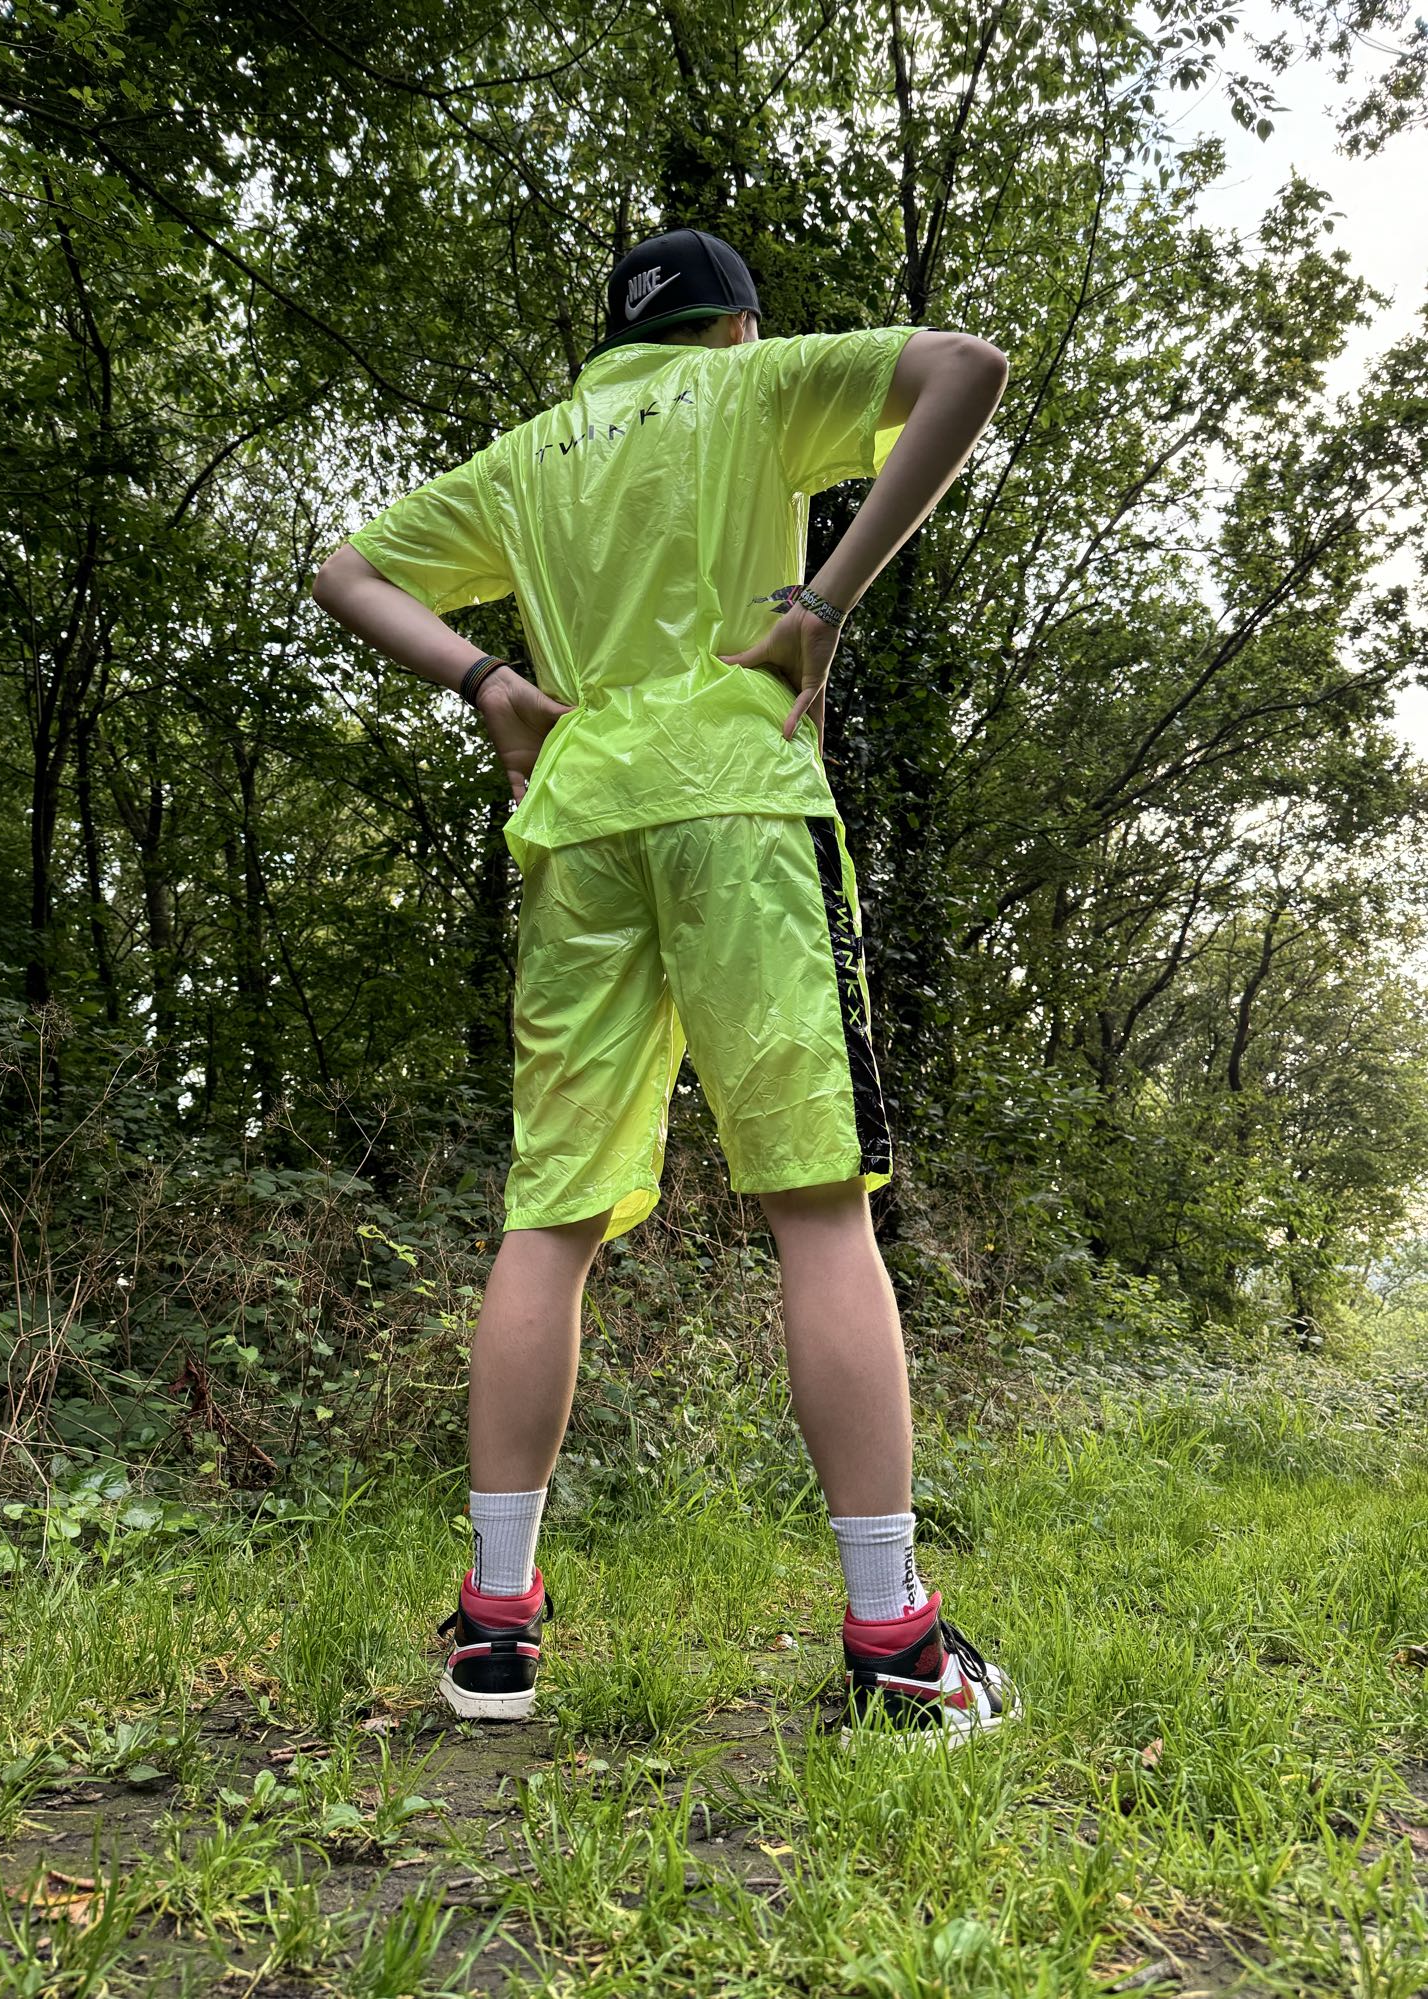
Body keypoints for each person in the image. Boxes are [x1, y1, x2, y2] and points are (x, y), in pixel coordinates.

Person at [312, 228, 1012, 1744]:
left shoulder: (535, 455)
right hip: (740, 807)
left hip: (581, 823)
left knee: (549, 1216)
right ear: (734, 324)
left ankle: (495, 1632)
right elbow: (965, 369)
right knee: (818, 1208)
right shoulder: (753, 388)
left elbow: (344, 569)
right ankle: (896, 1645)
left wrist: (490, 683)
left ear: (616, 339)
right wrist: (820, 606)